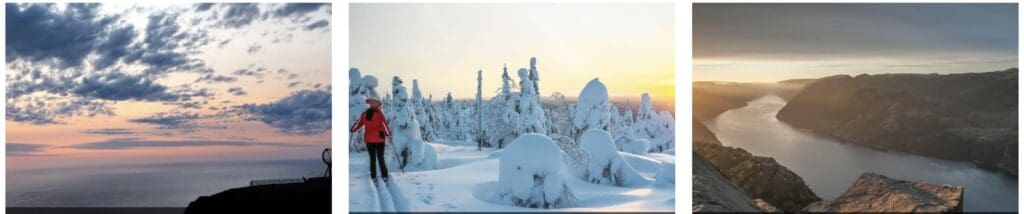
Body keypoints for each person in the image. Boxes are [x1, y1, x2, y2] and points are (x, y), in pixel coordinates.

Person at [350, 98, 392, 181]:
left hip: (369, 140)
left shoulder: (364, 114)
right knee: (380, 157)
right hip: (379, 140)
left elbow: (359, 124)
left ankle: (373, 176)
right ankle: (384, 175)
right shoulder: (379, 115)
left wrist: (353, 129)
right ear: (376, 106)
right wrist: (388, 134)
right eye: (380, 106)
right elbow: (384, 125)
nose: (381, 108)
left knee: (372, 159)